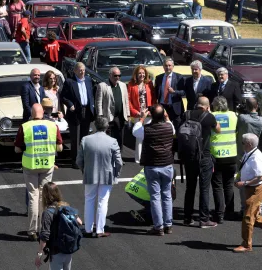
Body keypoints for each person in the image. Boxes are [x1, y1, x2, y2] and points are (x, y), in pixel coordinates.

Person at [14, 103, 63, 241]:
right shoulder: (53, 126)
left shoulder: (25, 127)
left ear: (32, 114)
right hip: (47, 165)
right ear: (43, 113)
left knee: (33, 196)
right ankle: (44, 228)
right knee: (44, 196)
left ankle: (32, 231)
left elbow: (17, 149)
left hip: (30, 166)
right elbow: (59, 148)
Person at [76, 116, 123, 238]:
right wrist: (116, 174)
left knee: (89, 201)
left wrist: (84, 171)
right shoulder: (112, 141)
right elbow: (118, 162)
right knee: (103, 202)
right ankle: (100, 229)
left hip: (90, 174)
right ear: (107, 127)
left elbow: (79, 161)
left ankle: (88, 228)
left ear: (95, 126)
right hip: (106, 176)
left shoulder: (85, 140)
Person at [133, 104, 174, 236]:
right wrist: (166, 116)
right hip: (167, 165)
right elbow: (170, 124)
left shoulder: (146, 129)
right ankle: (168, 225)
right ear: (164, 115)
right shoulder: (169, 127)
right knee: (166, 195)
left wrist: (141, 118)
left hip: (152, 166)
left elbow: (135, 131)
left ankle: (158, 226)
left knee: (155, 197)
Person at [180, 97, 219, 227]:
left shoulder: (187, 114)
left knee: (190, 187)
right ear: (207, 107)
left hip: (189, 157)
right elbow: (218, 129)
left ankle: (187, 217)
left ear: (197, 105)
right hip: (204, 157)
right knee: (204, 188)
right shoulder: (210, 117)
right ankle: (203, 219)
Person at [36, 182, 83, 270]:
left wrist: (39, 255)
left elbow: (44, 236)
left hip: (56, 251)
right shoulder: (65, 206)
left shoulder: (47, 213)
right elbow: (79, 222)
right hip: (68, 249)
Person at [210, 96, 238, 224]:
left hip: (216, 155)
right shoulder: (233, 115)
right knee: (229, 184)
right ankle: (230, 212)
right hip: (232, 155)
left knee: (217, 186)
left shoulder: (212, 116)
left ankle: (219, 214)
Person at [95, 66, 129, 149]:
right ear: (110, 75)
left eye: (119, 76)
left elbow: (126, 101)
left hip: (120, 117)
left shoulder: (123, 85)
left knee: (119, 138)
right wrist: (100, 116)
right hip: (108, 117)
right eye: (115, 76)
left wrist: (127, 114)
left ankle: (119, 157)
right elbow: (98, 102)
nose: (117, 77)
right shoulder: (102, 86)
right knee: (108, 139)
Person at [127, 65, 154, 163]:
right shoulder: (131, 85)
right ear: (136, 74)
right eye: (139, 73)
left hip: (148, 113)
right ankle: (138, 159)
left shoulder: (149, 84)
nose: (142, 75)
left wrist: (151, 110)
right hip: (138, 114)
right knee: (139, 137)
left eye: (143, 73)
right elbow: (128, 101)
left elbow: (154, 98)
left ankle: (148, 157)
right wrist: (135, 112)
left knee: (149, 136)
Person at [154, 57, 185, 127]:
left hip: (175, 108)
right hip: (162, 107)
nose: (167, 67)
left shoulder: (179, 77)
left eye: (169, 65)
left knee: (177, 128)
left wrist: (174, 92)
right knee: (162, 127)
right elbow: (156, 93)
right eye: (165, 65)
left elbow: (183, 92)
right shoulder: (159, 78)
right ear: (163, 66)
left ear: (173, 66)